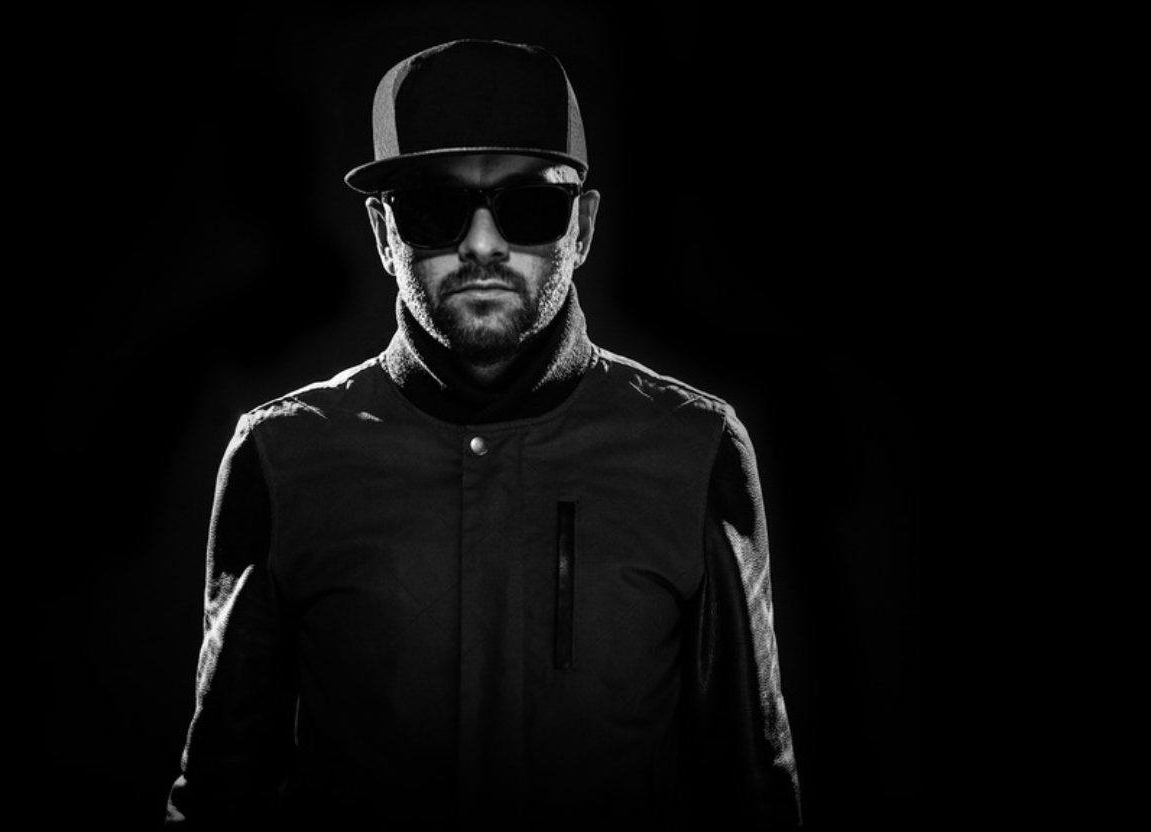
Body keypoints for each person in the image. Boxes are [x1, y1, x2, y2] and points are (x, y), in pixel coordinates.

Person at [165, 39, 801, 829]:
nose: (482, 244)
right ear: (383, 233)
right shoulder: (283, 455)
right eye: (433, 208)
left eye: (530, 205)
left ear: (583, 226)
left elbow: (753, 796)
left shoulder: (693, 449)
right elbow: (219, 800)